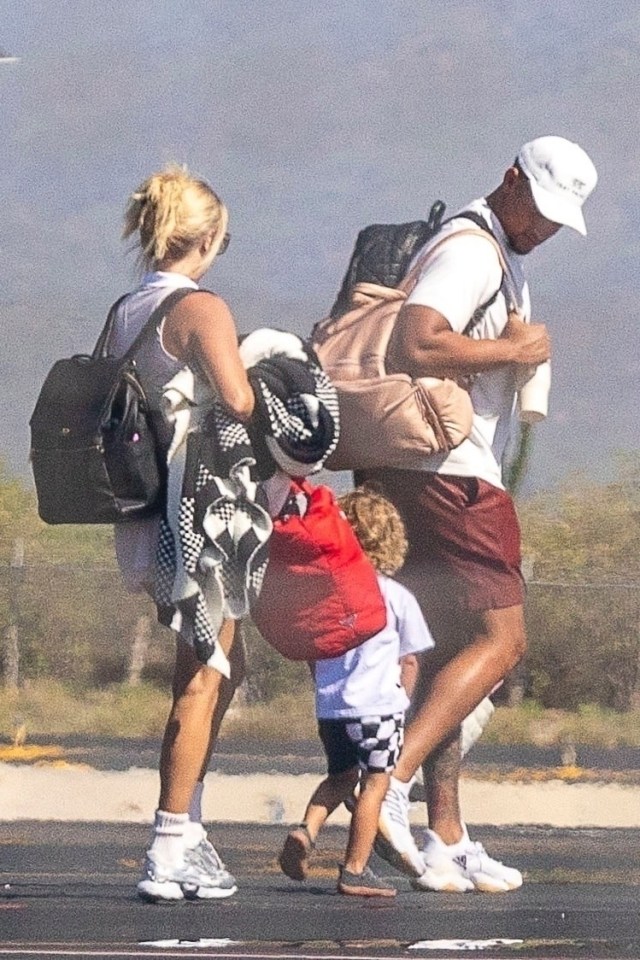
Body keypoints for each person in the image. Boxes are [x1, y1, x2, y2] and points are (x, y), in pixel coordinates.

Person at [363, 136, 598, 892]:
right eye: (542, 211)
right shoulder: (470, 250)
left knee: (447, 655)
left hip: (424, 468)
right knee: (503, 640)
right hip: (450, 471)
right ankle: (389, 788)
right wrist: (513, 351)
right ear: (510, 181)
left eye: (560, 221)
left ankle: (448, 835)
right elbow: (418, 340)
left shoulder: (498, 251)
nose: (546, 229)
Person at [110, 165, 260, 902]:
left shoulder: (126, 309)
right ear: (207, 239)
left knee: (206, 671)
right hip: (195, 512)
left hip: (145, 516)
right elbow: (236, 397)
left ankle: (186, 829)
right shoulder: (201, 307)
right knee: (205, 675)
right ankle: (171, 842)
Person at [278, 486, 433, 897]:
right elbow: (410, 660)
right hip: (378, 710)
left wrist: (326, 688)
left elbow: (313, 651)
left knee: (340, 776)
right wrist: (403, 700)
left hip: (331, 709)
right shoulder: (397, 598)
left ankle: (306, 830)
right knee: (375, 785)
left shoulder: (325, 595)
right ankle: (355, 869)